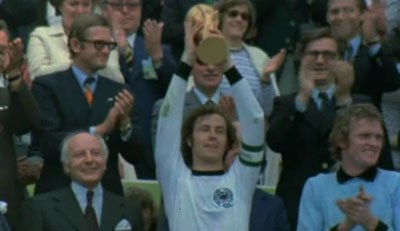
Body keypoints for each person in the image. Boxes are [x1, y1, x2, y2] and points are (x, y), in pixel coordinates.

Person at [155, 19, 265, 230]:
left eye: (220, 131)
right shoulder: (174, 178)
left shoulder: (242, 180)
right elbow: (166, 119)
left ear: (228, 143)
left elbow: (256, 120)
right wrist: (187, 58)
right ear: (188, 140)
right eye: (204, 129)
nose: (212, 135)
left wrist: (227, 65)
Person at [266, 27, 373, 230]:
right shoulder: (287, 103)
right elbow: (275, 142)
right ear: (300, 58)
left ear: (342, 60)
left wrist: (345, 99)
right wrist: (302, 101)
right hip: (298, 204)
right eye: (313, 54)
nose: (320, 61)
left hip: (349, 202)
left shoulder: (360, 103)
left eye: (329, 55)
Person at [31, 13, 144, 195]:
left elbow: (137, 155)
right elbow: (47, 142)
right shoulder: (46, 86)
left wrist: (124, 125)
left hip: (107, 195)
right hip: (59, 193)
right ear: (76, 45)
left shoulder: (120, 91)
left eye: (109, 45)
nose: (106, 51)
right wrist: (99, 130)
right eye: (99, 44)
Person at [101, 0, 177, 179]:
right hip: (105, 142)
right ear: (105, 10)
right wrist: (116, 52)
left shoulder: (158, 48)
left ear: (142, 10)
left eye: (133, 5)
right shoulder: (96, 46)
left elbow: (175, 90)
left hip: (146, 146)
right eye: (118, 5)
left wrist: (157, 56)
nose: (125, 11)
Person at [297, 104, 400, 230]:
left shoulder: (396, 183)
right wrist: (347, 224)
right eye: (365, 136)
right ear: (341, 140)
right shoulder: (316, 187)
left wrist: (369, 222)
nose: (374, 143)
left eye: (378, 137)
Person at [19, 132, 143, 231]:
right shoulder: (40, 208)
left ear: (105, 162)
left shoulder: (130, 209)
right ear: (66, 166)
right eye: (79, 155)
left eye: (95, 153)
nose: (89, 160)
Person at [0, 20, 40, 229]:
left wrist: (15, 75)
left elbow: (30, 124)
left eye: (2, 50)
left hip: (6, 197)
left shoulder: (10, 91)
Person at [214, 0, 284, 118]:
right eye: (233, 14)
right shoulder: (205, 50)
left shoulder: (260, 56)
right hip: (213, 127)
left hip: (250, 130)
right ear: (220, 18)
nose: (239, 19)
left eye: (245, 17)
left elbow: (269, 110)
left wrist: (266, 79)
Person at [27, 0, 124, 82]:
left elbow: (117, 79)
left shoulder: (104, 39)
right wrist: (76, 65)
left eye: (86, 5)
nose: (80, 11)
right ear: (60, 6)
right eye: (73, 4)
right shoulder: (42, 36)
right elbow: (36, 77)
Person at [326, 0, 400, 109]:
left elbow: (392, 83)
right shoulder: (318, 49)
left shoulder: (374, 51)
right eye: (334, 12)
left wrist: (372, 44)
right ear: (327, 17)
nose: (340, 17)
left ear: (362, 15)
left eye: (348, 10)